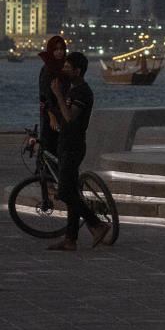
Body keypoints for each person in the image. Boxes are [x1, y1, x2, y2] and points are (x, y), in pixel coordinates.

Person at [45, 52, 111, 251]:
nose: (64, 70)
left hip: (73, 146)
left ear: (78, 71)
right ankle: (70, 239)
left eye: (68, 67)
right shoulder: (74, 90)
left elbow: (71, 118)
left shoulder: (82, 92)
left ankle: (97, 224)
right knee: (72, 191)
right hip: (66, 143)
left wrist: (57, 95)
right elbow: (63, 116)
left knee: (64, 192)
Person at [37, 35, 68, 158]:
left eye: (61, 49)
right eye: (56, 49)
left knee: (61, 149)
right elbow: (44, 95)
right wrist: (52, 117)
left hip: (63, 112)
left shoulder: (64, 68)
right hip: (51, 114)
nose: (59, 52)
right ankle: (45, 176)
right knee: (50, 148)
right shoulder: (48, 69)